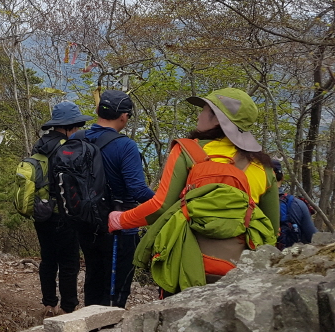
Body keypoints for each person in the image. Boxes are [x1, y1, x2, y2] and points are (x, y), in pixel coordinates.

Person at [108, 88, 279, 293]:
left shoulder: (187, 150)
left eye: (204, 109)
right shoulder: (263, 167)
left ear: (218, 119)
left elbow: (160, 206)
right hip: (240, 271)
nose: (199, 115)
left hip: (185, 265)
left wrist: (120, 220)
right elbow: (271, 229)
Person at [75, 90, 153, 308]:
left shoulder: (77, 139)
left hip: (85, 222)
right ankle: (109, 325)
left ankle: (88, 319)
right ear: (124, 116)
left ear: (98, 111)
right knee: (116, 286)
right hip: (119, 227)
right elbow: (138, 190)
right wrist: (165, 204)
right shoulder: (125, 146)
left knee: (93, 276)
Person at [31, 101, 91, 316]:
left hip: (41, 211)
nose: (78, 130)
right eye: (77, 126)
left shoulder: (39, 145)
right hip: (66, 212)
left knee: (48, 259)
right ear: (69, 126)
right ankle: (68, 307)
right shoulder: (70, 148)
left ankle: (49, 304)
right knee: (69, 262)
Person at [272, 159, 317, 247]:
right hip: (289, 253)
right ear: (282, 177)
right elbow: (313, 236)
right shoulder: (297, 203)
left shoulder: (252, 202)